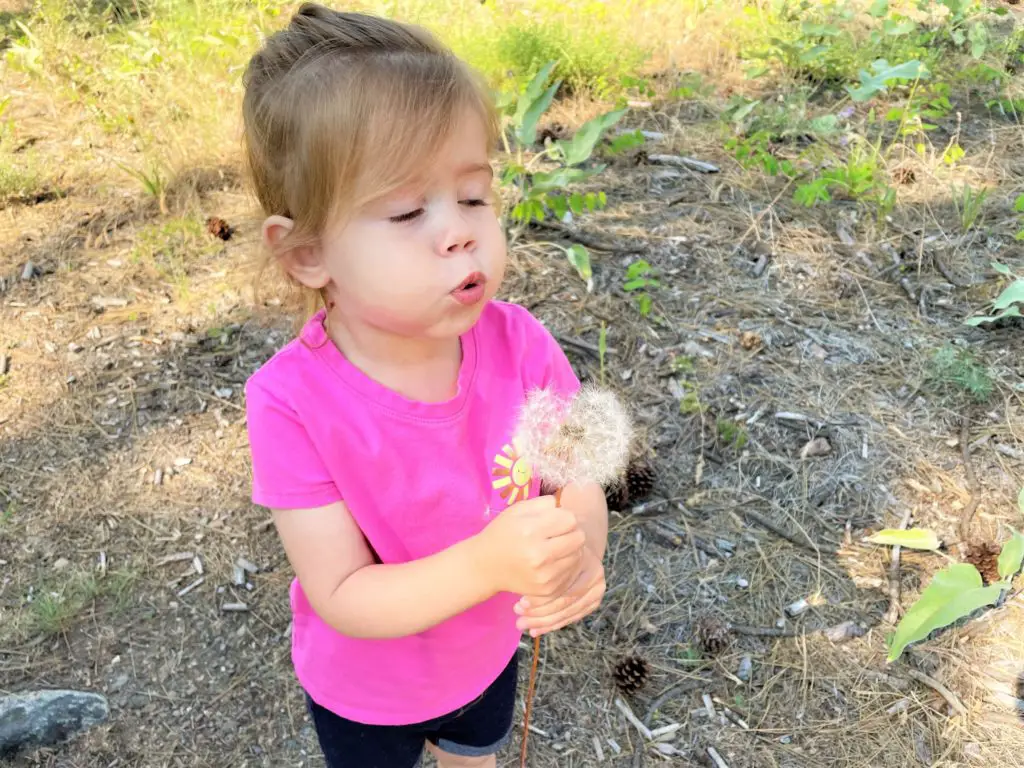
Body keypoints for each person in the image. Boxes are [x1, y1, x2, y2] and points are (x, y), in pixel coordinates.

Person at [240, 5, 609, 767]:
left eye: (474, 196)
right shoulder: (291, 403)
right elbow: (341, 591)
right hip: (365, 693)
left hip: (489, 657)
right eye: (408, 210)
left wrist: (581, 552)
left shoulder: (520, 343)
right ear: (308, 253)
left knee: (476, 754)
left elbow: (578, 476)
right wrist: (487, 565)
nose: (459, 231)